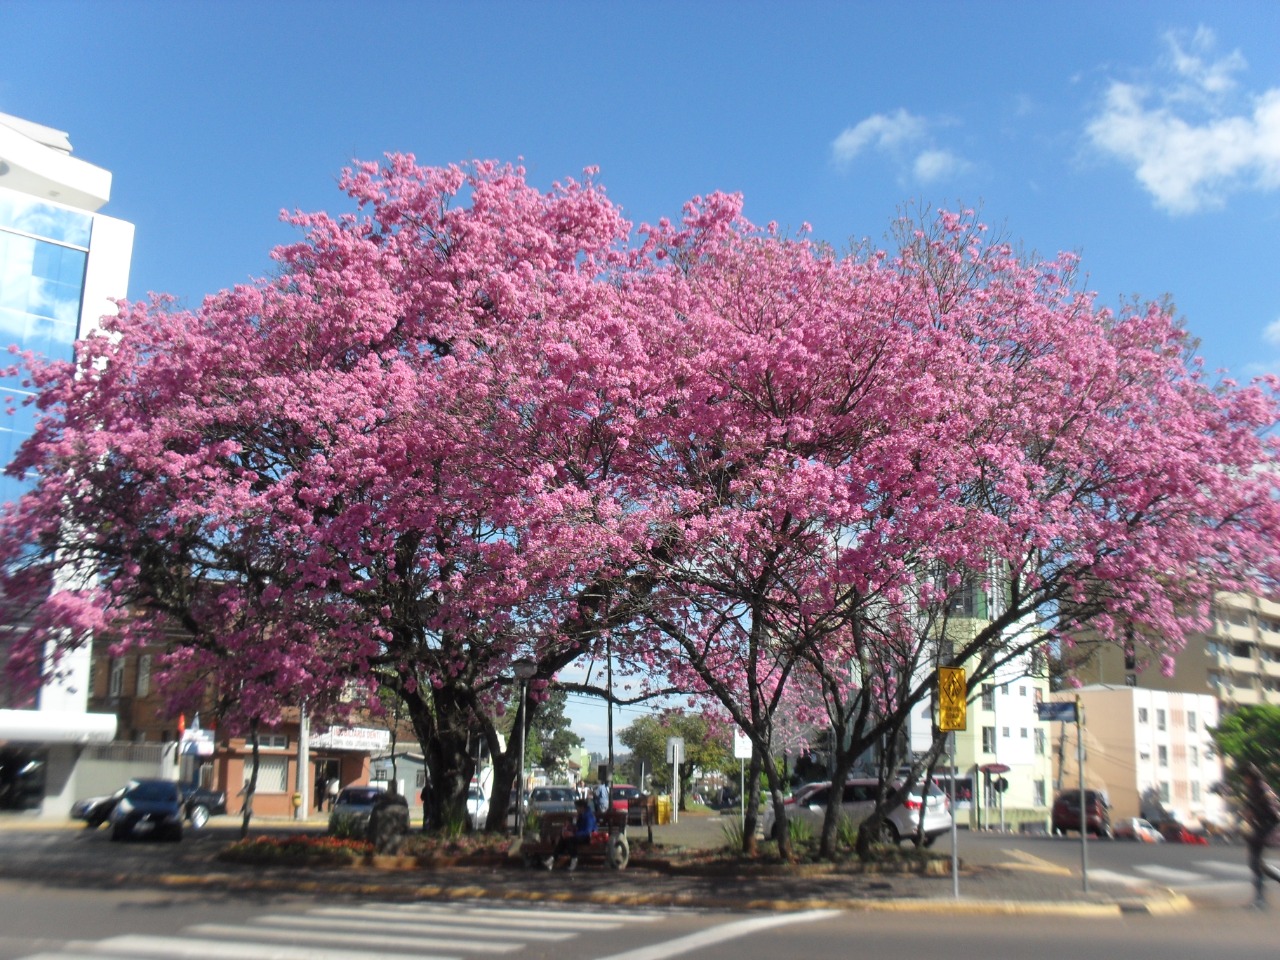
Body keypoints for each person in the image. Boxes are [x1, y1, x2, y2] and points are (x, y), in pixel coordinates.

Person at [1241, 762, 1280, 908]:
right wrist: (1247, 814)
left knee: (1255, 863)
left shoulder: (1263, 789)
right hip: (1257, 830)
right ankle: (1259, 897)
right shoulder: (1251, 790)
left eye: (1246, 777)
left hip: (1266, 830)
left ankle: (1260, 899)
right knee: (1256, 864)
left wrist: (1256, 815)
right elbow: (1248, 807)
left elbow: (1275, 813)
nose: (1245, 780)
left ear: (1251, 777)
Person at [550, 797, 596, 871]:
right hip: (580, 836)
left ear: (582, 808)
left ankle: (570, 858)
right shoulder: (581, 815)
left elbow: (588, 831)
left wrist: (574, 834)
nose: (576, 809)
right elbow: (577, 827)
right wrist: (571, 830)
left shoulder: (589, 816)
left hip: (588, 837)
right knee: (565, 838)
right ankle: (553, 858)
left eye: (577, 808)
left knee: (568, 839)